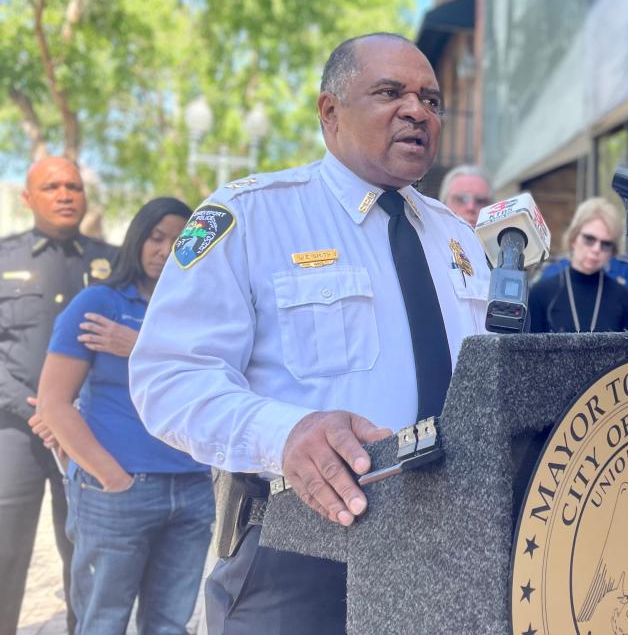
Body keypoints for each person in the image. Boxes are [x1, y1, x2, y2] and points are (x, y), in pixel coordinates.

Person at [128, 33, 490, 635]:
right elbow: (169, 376)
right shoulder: (250, 217)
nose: (416, 110)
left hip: (450, 550)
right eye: (389, 92)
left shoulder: (458, 239)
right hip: (302, 549)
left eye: (430, 99)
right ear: (330, 112)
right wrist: (286, 434)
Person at [31, 197, 214, 635]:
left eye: (180, 240)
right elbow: (54, 402)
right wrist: (110, 477)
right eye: (156, 238)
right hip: (118, 492)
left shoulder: (200, 312)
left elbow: (221, 381)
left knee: (170, 623)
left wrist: (141, 347)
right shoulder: (100, 303)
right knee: (103, 622)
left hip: (192, 488)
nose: (167, 250)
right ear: (137, 239)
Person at [0, 156, 116, 635]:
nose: (65, 194)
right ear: (28, 198)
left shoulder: (113, 263)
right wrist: (40, 410)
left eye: (73, 186)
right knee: (5, 551)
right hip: (16, 432)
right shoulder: (5, 257)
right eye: (51, 187)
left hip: (89, 433)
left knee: (86, 553)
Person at [529, 197, 628, 333]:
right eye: (589, 239)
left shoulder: (624, 298)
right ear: (573, 239)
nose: (596, 249)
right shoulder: (541, 293)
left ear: (612, 251)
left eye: (606, 244)